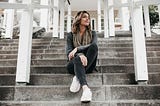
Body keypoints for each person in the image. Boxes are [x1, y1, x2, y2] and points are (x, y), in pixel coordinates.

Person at [66, 11, 98, 103]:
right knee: (77, 58)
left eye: (88, 17)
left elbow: (94, 45)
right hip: (72, 64)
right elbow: (69, 52)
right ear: (78, 19)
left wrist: (77, 49)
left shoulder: (93, 33)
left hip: (89, 63)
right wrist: (80, 54)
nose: (88, 19)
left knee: (94, 47)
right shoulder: (70, 35)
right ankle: (86, 88)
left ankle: (78, 77)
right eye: (84, 17)